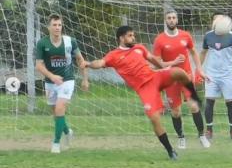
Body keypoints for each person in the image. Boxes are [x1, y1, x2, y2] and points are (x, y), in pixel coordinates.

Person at [82, 25, 202, 160]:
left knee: (179, 72)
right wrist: (88, 64)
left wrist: (168, 65)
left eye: (133, 35)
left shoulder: (139, 48)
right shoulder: (114, 55)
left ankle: (193, 97)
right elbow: (99, 63)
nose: (133, 37)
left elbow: (156, 61)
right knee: (154, 118)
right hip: (145, 88)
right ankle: (170, 151)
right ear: (121, 38)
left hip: (155, 77)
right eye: (130, 35)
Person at [153, 10, 210, 149]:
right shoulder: (159, 40)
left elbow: (194, 52)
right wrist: (173, 62)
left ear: (177, 20)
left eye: (173, 18)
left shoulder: (186, 36)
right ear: (165, 21)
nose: (171, 20)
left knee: (194, 106)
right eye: (169, 18)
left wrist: (199, 70)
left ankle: (202, 136)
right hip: (171, 79)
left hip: (186, 77)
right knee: (176, 111)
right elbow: (157, 63)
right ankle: (181, 138)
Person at [36, 13, 89, 153]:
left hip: (67, 80)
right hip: (50, 82)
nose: (57, 27)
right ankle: (67, 131)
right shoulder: (42, 43)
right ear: (48, 27)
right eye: (54, 25)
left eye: (59, 25)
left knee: (60, 108)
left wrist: (85, 79)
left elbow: (80, 60)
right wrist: (52, 76)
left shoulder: (70, 41)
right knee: (55, 113)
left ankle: (56, 143)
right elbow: (39, 65)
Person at [200, 14, 232, 140]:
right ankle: (209, 130)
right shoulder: (208, 36)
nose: (218, 20)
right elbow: (203, 52)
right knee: (209, 101)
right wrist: (198, 70)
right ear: (213, 22)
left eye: (221, 18)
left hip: (227, 75)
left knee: (230, 103)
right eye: (216, 18)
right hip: (211, 75)